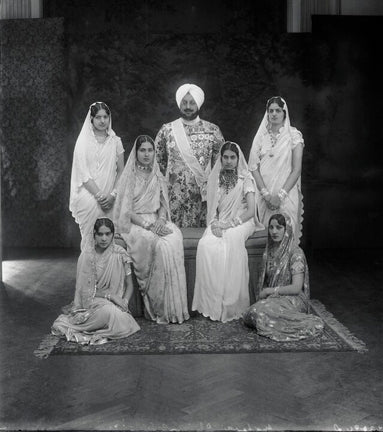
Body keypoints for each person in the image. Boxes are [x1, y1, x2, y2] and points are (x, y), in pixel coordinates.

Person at [113, 135, 190, 324]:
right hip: (135, 224)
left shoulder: (157, 173)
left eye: (150, 150)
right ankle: (159, 307)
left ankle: (176, 308)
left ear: (154, 152)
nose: (147, 154)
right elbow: (126, 210)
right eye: (142, 150)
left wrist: (161, 220)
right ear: (136, 152)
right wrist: (148, 225)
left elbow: (163, 203)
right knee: (158, 244)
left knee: (174, 238)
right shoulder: (129, 176)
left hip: (157, 220)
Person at [192, 141, 264, 322]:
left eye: (233, 157)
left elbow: (250, 211)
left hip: (243, 222)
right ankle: (211, 303)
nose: (229, 161)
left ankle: (231, 304)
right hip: (221, 221)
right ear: (221, 158)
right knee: (205, 245)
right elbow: (213, 210)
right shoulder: (216, 179)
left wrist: (230, 224)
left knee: (230, 240)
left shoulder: (246, 179)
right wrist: (215, 224)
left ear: (238, 159)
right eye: (226, 157)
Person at [52, 218, 140, 345]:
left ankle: (104, 323)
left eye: (107, 234)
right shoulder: (87, 256)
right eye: (100, 234)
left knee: (123, 318)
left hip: (116, 303)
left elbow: (129, 285)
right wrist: (110, 296)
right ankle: (83, 327)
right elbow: (85, 291)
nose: (104, 238)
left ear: (112, 235)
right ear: (94, 234)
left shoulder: (121, 254)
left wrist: (124, 302)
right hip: (93, 301)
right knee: (109, 313)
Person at [242, 213, 324, 342]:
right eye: (271, 227)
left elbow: (296, 288)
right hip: (274, 300)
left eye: (279, 227)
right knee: (250, 313)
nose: (274, 231)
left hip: (293, 298)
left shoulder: (296, 253)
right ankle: (274, 319)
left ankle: (306, 322)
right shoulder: (269, 251)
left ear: (287, 229)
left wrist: (271, 291)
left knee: (261, 313)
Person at [155, 83, 224, 227]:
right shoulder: (166, 130)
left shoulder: (212, 130)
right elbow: (157, 166)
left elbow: (222, 167)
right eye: (184, 102)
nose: (188, 106)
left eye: (192, 103)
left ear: (198, 104)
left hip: (203, 198)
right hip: (174, 197)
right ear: (179, 104)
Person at [248, 96, 304, 244]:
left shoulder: (294, 136)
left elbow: (296, 169)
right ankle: (269, 267)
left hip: (287, 194)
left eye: (278, 110)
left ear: (284, 113)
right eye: (270, 110)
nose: (274, 114)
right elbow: (253, 167)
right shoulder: (261, 137)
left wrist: (280, 196)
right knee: (268, 237)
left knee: (287, 234)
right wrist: (267, 195)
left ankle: (287, 267)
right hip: (264, 195)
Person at [70, 102, 124, 250]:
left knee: (108, 243)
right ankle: (89, 272)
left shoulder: (116, 142)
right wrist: (100, 197)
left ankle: (107, 273)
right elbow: (83, 174)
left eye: (105, 117)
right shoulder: (83, 142)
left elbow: (121, 171)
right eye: (98, 117)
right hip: (89, 197)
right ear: (91, 119)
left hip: (111, 198)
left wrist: (112, 195)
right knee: (90, 243)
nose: (102, 121)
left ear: (109, 118)